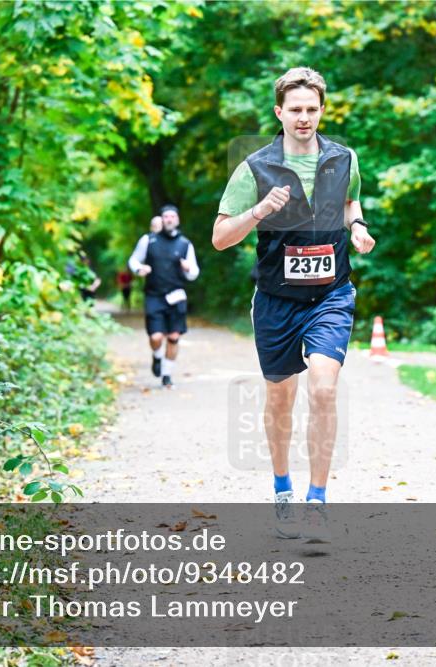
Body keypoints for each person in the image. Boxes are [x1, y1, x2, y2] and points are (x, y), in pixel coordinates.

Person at [212, 67, 375, 542]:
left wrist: (359, 228)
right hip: (276, 301)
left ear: (322, 111)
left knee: (323, 388)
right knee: (280, 398)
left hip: (331, 293)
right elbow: (221, 237)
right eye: (295, 109)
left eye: (312, 109)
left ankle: (317, 501)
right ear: (279, 112)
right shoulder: (255, 169)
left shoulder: (344, 158)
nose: (304, 117)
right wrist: (259, 210)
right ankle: (282, 486)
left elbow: (350, 203)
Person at [128, 205, 200, 388]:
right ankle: (157, 356)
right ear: (161, 219)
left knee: (174, 337)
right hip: (154, 295)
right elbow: (133, 260)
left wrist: (188, 269)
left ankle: (167, 375)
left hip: (177, 296)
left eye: (172, 216)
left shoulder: (185, 244)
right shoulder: (149, 240)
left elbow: (194, 273)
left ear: (177, 220)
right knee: (156, 337)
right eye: (166, 216)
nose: (169, 219)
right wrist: (139, 269)